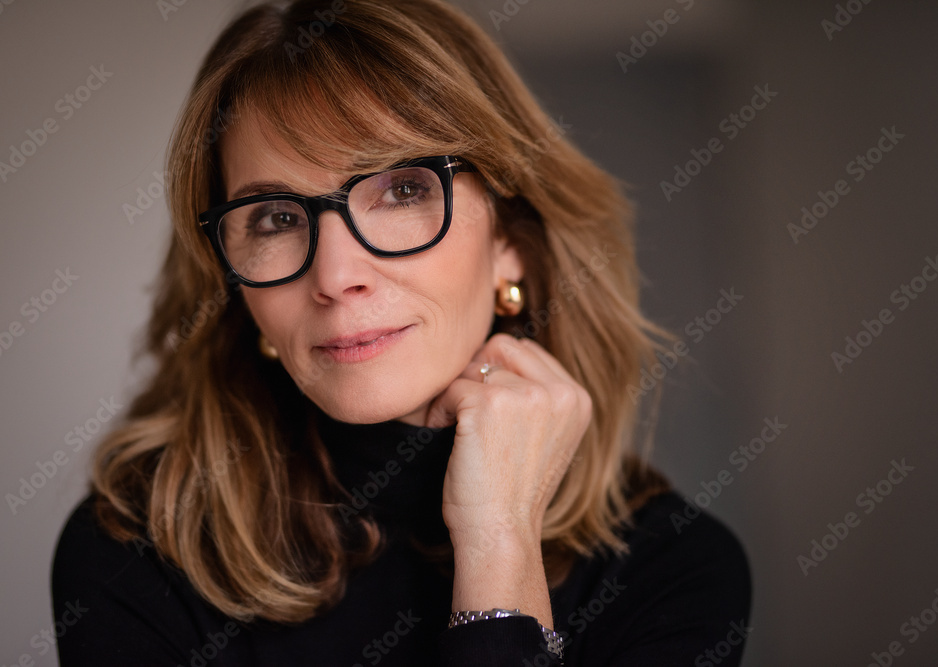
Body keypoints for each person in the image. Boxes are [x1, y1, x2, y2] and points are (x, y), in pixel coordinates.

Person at [51, 0, 751, 665]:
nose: (334, 274)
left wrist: (499, 543)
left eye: (402, 191)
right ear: (231, 280)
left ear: (511, 234)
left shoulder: (674, 571)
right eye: (275, 217)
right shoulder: (135, 553)